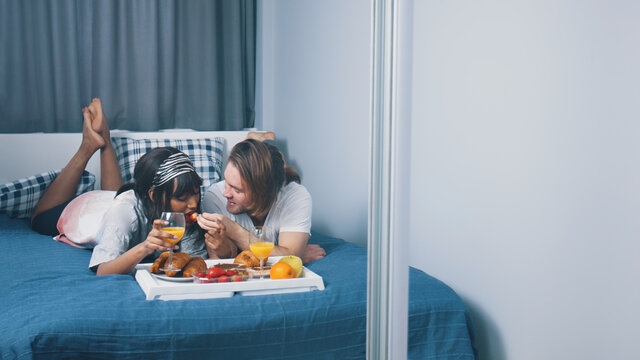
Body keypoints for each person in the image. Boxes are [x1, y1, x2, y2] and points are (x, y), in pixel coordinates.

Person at [30, 98, 209, 275]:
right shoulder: (125, 211)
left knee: (118, 195)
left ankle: (104, 138)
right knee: (38, 220)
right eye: (182, 197)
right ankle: (87, 146)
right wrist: (145, 247)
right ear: (154, 195)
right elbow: (103, 270)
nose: (193, 204)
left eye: (195, 193)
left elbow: (196, 262)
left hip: (116, 198)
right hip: (87, 211)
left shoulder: (186, 216)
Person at [197, 139, 326, 264]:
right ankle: (263, 139)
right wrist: (288, 255)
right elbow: (221, 258)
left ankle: (265, 139)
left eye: (237, 190)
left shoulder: (296, 196)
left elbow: (291, 257)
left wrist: (234, 230)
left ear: (262, 192)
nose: (226, 193)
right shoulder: (215, 198)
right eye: (226, 182)